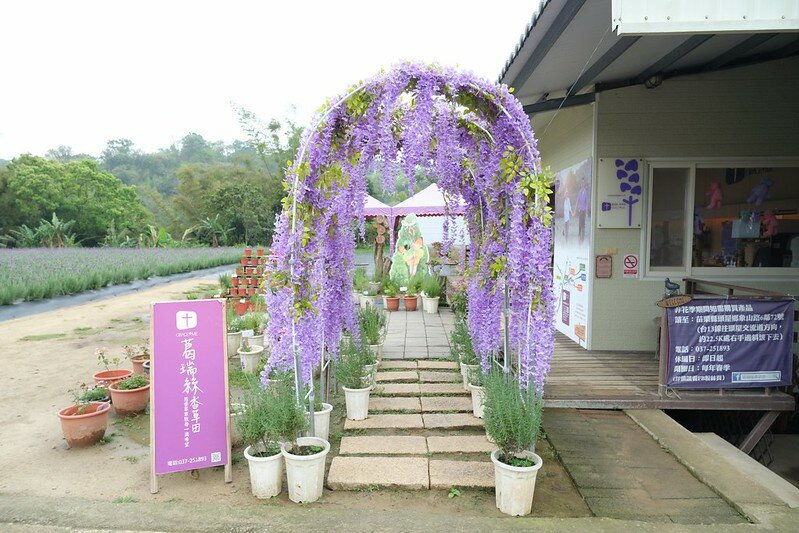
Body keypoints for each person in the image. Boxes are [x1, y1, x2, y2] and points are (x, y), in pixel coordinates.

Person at [576, 180, 588, 245]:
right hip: (580, 209)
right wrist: (578, 208)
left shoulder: (585, 192)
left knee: (583, 222)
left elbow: (586, 201)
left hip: (584, 209)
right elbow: (578, 200)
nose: (582, 185)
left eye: (583, 184)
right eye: (581, 184)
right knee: (580, 222)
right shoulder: (580, 192)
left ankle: (583, 235)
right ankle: (579, 233)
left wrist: (586, 210)